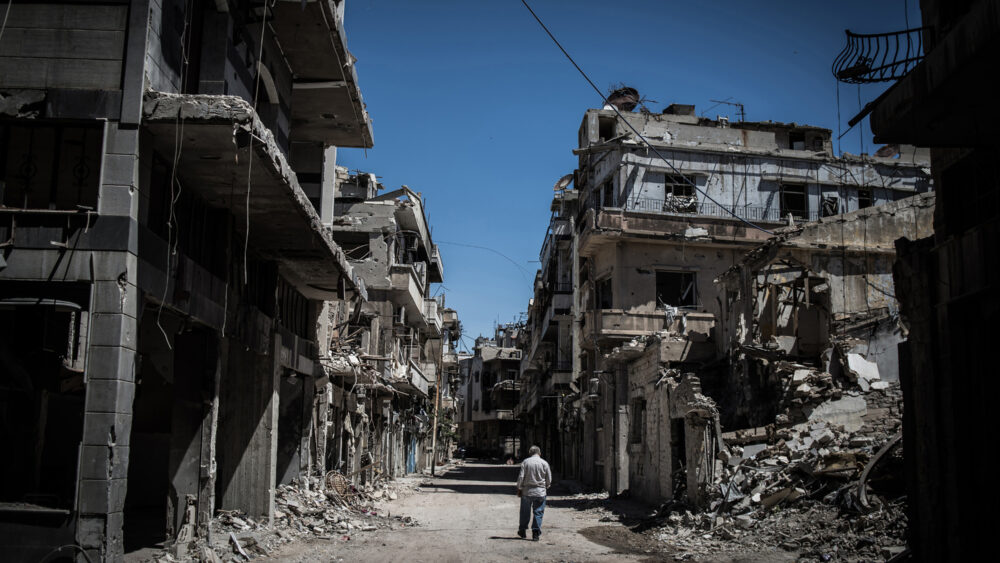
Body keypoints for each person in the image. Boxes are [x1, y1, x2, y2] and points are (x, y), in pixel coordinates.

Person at [515, 445, 552, 541]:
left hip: (527, 492)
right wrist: (546, 486)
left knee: (524, 512)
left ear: (530, 453)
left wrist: (519, 487)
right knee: (538, 512)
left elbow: (521, 477)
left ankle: (522, 530)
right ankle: (535, 533)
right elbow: (548, 478)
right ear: (539, 453)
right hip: (540, 492)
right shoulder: (544, 463)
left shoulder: (526, 462)